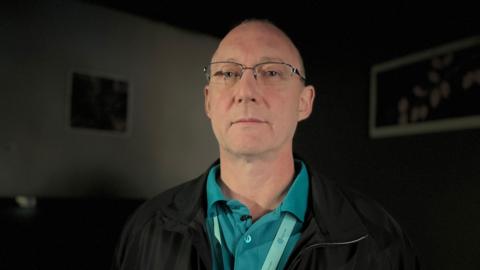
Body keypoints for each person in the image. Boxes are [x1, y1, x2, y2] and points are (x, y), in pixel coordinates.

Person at [112, 19, 420, 270]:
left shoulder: (379, 240)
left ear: (304, 102)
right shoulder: (145, 229)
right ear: (209, 102)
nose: (246, 91)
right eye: (228, 73)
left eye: (271, 72)